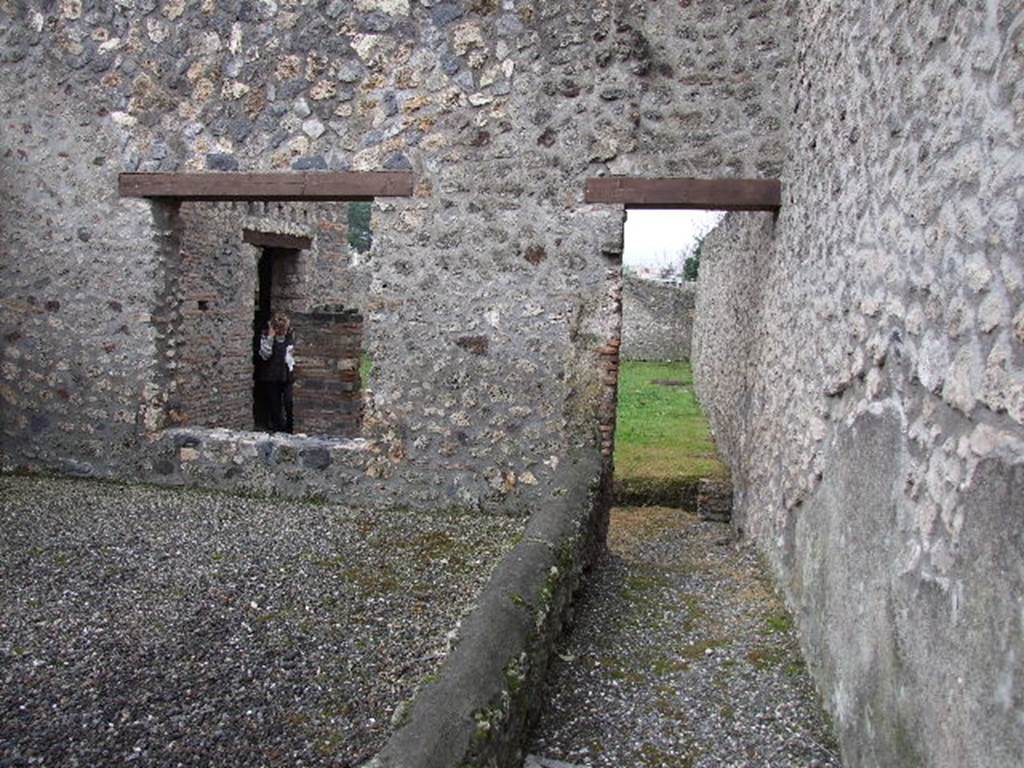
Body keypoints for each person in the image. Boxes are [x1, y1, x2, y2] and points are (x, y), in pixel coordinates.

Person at [257, 312, 295, 433]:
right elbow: (265, 355)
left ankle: (290, 428)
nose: (283, 331)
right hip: (271, 376)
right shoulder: (266, 336)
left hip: (288, 375)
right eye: (279, 328)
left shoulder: (291, 337)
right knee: (275, 405)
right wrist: (270, 337)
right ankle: (278, 429)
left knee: (289, 402)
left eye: (284, 328)